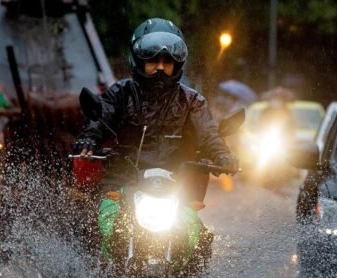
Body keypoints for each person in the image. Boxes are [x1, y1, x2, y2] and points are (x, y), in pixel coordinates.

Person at [74, 17, 239, 190]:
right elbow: (99, 118)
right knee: (106, 215)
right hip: (120, 182)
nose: (160, 67)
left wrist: (222, 154)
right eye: (152, 60)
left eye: (167, 61)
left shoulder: (192, 101)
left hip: (175, 186)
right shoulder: (120, 93)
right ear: (139, 61)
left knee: (191, 218)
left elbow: (208, 134)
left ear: (176, 64)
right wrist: (88, 138)